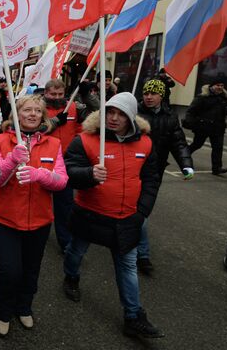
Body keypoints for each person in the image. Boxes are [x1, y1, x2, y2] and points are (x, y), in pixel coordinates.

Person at [62, 92, 163, 338]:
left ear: (131, 117)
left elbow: (151, 180)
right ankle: (71, 278)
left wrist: (142, 212)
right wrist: (88, 174)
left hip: (127, 219)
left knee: (128, 265)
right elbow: (67, 171)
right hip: (89, 214)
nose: (114, 118)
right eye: (110, 112)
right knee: (76, 251)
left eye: (121, 114)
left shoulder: (146, 143)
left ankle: (133, 316)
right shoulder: (84, 140)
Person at [0, 95, 68, 336]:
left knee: (31, 270)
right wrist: (12, 159)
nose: (32, 114)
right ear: (16, 115)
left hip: (39, 221)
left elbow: (62, 181)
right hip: (6, 220)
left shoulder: (54, 144)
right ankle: (2, 310)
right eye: (27, 110)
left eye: (37, 111)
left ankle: (24, 306)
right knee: (9, 270)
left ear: (43, 116)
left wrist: (39, 174)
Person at [136, 79, 194, 274]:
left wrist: (186, 164)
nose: (149, 97)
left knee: (142, 211)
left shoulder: (170, 117)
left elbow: (178, 143)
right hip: (132, 169)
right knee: (136, 211)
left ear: (162, 96)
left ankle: (139, 251)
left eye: (153, 93)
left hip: (154, 171)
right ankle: (141, 254)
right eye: (146, 93)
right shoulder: (133, 112)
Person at [43, 79, 90, 252]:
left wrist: (79, 147)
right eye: (53, 94)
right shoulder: (39, 108)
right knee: (43, 203)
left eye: (60, 94)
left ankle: (65, 241)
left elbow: (80, 129)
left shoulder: (72, 107)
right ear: (46, 93)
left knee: (65, 204)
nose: (56, 97)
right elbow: (34, 130)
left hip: (66, 162)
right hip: (44, 161)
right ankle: (39, 233)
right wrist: (54, 121)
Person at [186, 78, 227, 175]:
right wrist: (190, 122)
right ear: (212, 86)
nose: (220, 87)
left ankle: (217, 168)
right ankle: (184, 155)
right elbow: (191, 110)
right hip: (203, 126)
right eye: (218, 85)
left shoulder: (223, 98)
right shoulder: (202, 97)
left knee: (218, 148)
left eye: (222, 86)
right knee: (197, 144)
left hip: (218, 128)